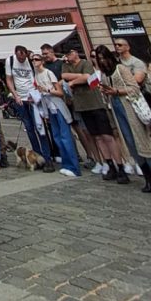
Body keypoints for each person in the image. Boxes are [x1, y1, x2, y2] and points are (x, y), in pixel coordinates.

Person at [62, 46, 129, 183]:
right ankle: (110, 165)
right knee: (97, 137)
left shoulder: (86, 63)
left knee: (107, 136)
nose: (67, 56)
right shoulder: (65, 66)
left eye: (69, 52)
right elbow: (64, 77)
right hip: (81, 106)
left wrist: (73, 81)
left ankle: (120, 166)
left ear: (76, 53)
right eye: (66, 54)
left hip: (96, 104)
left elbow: (88, 77)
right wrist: (80, 77)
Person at [96, 45, 151, 191]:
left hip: (129, 107)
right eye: (99, 59)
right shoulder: (104, 74)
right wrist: (104, 91)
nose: (102, 62)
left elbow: (134, 87)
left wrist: (117, 91)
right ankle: (147, 177)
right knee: (130, 143)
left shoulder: (121, 69)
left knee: (142, 141)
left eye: (104, 58)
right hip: (116, 108)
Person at [30, 54, 81, 178]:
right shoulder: (36, 75)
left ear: (42, 61)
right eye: (32, 60)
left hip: (58, 107)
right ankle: (66, 164)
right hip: (49, 109)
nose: (34, 61)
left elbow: (60, 92)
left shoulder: (49, 73)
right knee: (57, 137)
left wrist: (47, 90)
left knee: (65, 137)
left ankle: (74, 167)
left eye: (36, 59)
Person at [5, 45, 54, 170]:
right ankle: (37, 157)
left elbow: (37, 77)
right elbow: (9, 79)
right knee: (29, 129)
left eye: (23, 57)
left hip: (33, 98)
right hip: (20, 100)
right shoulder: (10, 61)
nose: (21, 60)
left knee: (40, 128)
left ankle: (47, 159)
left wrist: (36, 92)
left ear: (26, 54)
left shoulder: (32, 61)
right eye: (19, 57)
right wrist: (15, 95)